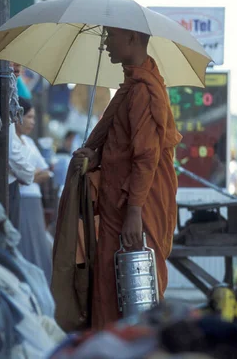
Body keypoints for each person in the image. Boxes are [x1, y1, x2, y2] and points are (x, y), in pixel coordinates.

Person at [73, 27, 182, 328]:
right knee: (110, 286)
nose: (106, 43)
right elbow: (120, 145)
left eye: (111, 36)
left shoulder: (145, 91)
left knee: (137, 288)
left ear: (132, 39)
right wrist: (94, 155)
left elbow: (146, 157)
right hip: (118, 204)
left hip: (137, 205)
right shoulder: (131, 87)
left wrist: (134, 212)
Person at [15, 99, 53, 283]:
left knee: (38, 243)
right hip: (21, 200)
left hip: (34, 200)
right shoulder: (10, 141)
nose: (32, 122)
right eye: (28, 116)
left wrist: (27, 175)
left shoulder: (29, 142)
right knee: (25, 243)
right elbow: (14, 173)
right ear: (17, 116)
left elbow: (46, 172)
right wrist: (31, 174)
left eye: (33, 117)